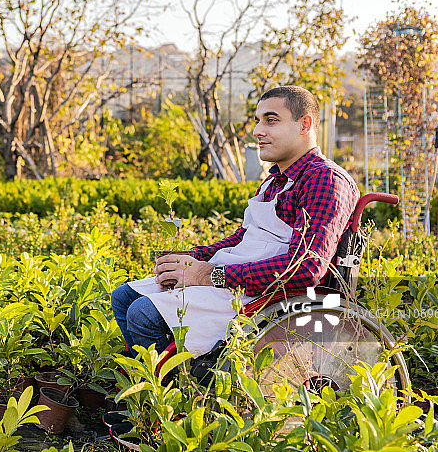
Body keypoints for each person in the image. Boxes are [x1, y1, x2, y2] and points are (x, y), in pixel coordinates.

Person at [111, 85, 359, 357]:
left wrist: (206, 275)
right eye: (258, 121)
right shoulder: (274, 181)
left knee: (143, 313)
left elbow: (305, 268)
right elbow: (244, 238)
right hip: (236, 280)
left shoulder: (325, 179)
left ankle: (179, 392)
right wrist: (192, 257)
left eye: (271, 120)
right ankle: (152, 382)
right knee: (123, 296)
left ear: (305, 125)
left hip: (266, 294)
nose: (258, 131)